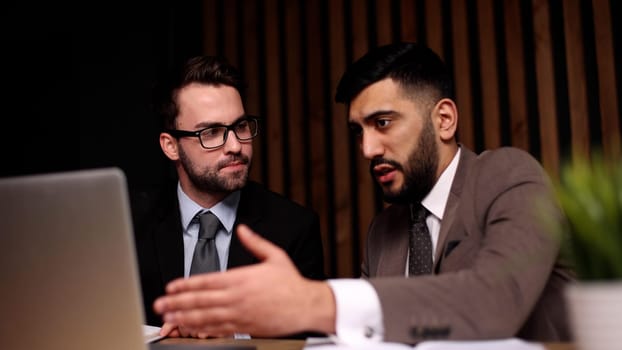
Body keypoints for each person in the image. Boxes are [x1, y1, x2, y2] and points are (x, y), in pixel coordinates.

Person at [152, 42, 575, 345]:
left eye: (384, 123)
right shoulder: (384, 231)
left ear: (444, 120)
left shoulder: (508, 177)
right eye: (359, 132)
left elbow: (494, 301)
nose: (368, 149)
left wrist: (319, 302)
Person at [129, 55, 325, 338]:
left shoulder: (293, 228)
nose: (235, 145)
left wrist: (231, 330)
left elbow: (309, 338)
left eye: (241, 127)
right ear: (171, 146)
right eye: (212, 132)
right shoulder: (131, 226)